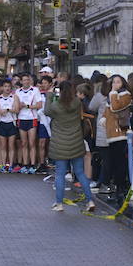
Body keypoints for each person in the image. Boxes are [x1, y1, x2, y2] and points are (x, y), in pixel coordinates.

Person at [45, 80, 96, 212]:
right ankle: (90, 201)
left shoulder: (56, 106)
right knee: (80, 173)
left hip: (60, 145)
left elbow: (46, 111)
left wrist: (49, 95)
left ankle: (59, 203)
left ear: (60, 91)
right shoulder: (77, 103)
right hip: (76, 143)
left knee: (60, 174)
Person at [103, 75, 133, 199]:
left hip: (120, 132)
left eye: (118, 82)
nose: (115, 84)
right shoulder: (111, 96)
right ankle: (116, 184)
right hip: (111, 133)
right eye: (113, 82)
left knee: (120, 162)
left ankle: (121, 186)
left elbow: (115, 107)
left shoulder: (125, 95)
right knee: (114, 161)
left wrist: (114, 93)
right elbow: (107, 110)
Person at [16, 73, 43, 172]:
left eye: (28, 80)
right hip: (21, 118)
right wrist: (19, 106)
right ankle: (25, 164)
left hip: (32, 118)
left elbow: (39, 105)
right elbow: (16, 106)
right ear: (21, 81)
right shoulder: (18, 91)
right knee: (24, 143)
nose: (26, 82)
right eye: (24, 80)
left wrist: (27, 106)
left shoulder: (35, 90)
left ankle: (32, 165)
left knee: (31, 143)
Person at [0, 78, 20, 172]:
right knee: (2, 145)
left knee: (11, 145)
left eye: (9, 86)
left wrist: (9, 110)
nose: (7, 88)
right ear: (2, 88)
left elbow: (17, 110)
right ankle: (2, 165)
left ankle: (9, 165)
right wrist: (0, 112)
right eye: (5, 86)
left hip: (11, 122)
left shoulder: (14, 97)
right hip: (2, 122)